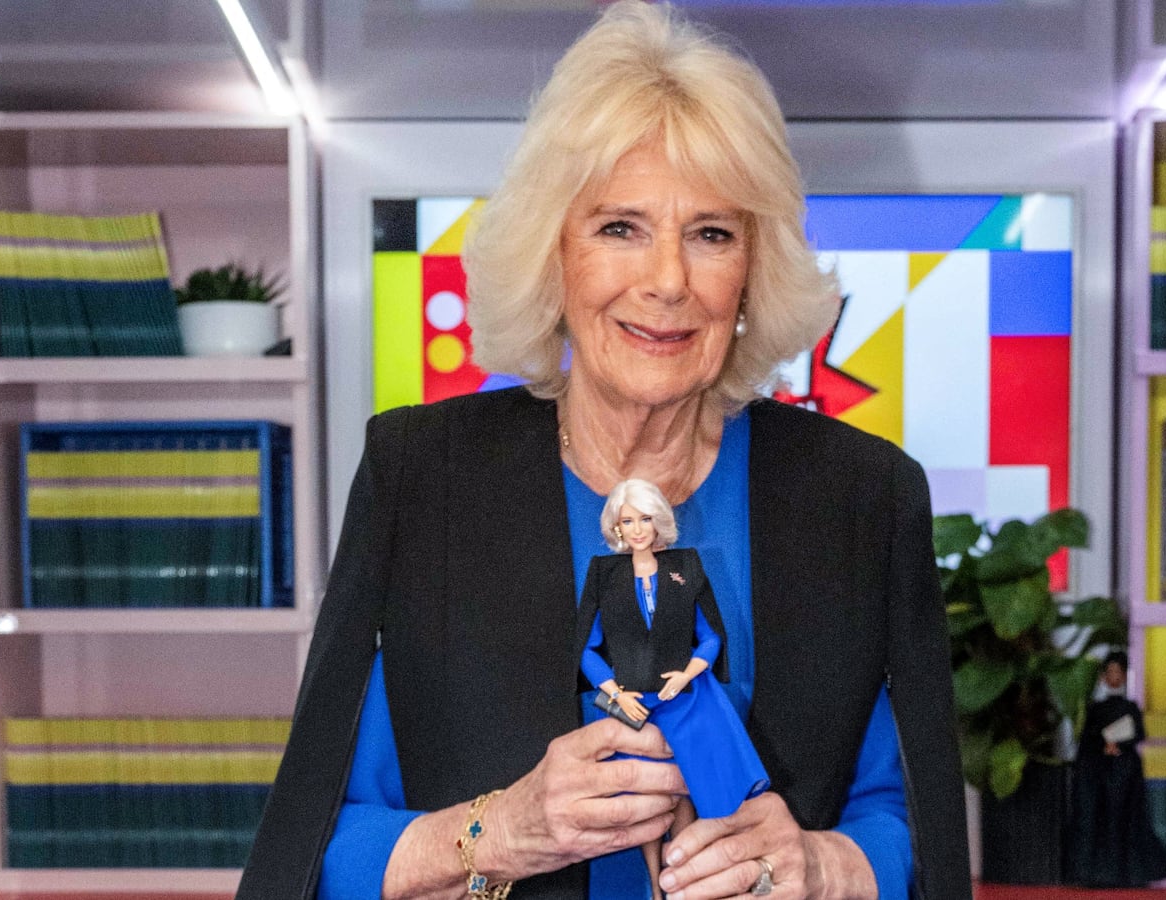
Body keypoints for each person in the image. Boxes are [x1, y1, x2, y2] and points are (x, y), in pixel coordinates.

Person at [237, 2, 969, 898]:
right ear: (555, 258)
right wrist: (500, 832)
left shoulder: (863, 496)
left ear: (751, 272)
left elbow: (912, 826)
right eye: (620, 227)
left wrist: (822, 868)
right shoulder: (421, 478)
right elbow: (316, 847)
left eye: (711, 233)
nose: (667, 281)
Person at [577, 478, 770, 898]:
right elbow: (587, 649)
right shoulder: (603, 575)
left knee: (686, 783)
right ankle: (654, 882)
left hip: (681, 697)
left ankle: (681, 871)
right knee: (641, 791)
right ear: (617, 528)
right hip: (631, 701)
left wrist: (687, 673)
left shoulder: (686, 567)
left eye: (645, 518)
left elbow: (712, 637)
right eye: (628, 520)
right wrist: (614, 691)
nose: (638, 528)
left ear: (658, 521)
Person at [1065, 651, 1166, 888]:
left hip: (1125, 774)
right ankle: (1097, 874)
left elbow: (1139, 733)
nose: (1114, 677)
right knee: (1100, 821)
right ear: (1104, 677)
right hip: (1099, 775)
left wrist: (1120, 744)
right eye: (1110, 672)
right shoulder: (1095, 709)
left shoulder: (1130, 707)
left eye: (1119, 672)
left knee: (1125, 820)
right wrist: (1103, 746)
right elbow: (1087, 740)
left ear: (1125, 676)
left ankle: (1129, 873)